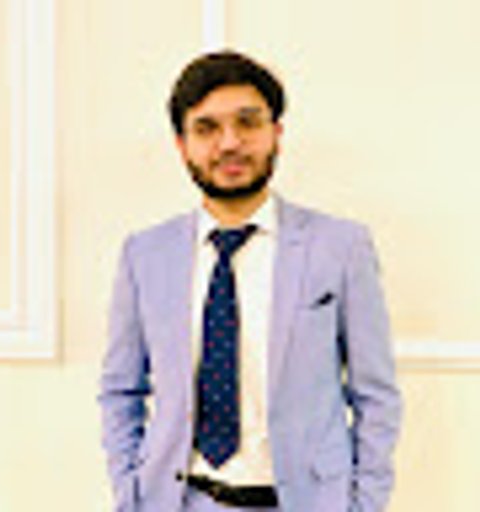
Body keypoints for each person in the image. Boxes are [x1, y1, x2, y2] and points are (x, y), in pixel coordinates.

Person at [98, 50, 402, 512]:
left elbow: (375, 395)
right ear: (181, 145)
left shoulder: (341, 247)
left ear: (276, 133)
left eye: (247, 122)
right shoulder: (144, 255)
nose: (230, 143)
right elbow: (121, 391)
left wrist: (364, 504)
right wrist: (131, 493)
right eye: (206, 128)